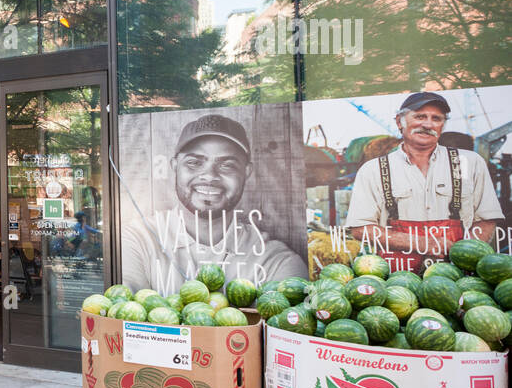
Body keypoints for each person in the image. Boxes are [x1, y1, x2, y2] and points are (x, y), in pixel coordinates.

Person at [121, 113, 306, 292]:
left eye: (227, 165)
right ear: (175, 166)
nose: (209, 176)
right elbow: (125, 315)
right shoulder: (138, 240)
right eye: (194, 162)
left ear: (247, 172)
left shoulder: (275, 260)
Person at [345, 92, 502, 271]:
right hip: (397, 278)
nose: (428, 124)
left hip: (459, 274)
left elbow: (487, 219)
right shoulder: (373, 170)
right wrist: (425, 243)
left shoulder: (470, 163)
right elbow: (360, 229)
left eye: (436, 118)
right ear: (399, 122)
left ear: (442, 125)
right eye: (420, 116)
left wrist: (466, 254)